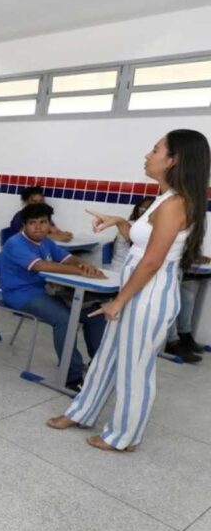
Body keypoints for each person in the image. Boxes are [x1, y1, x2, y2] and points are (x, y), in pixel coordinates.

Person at [48, 129, 210, 451]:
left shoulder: (175, 204)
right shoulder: (163, 199)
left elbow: (151, 262)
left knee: (135, 368)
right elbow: (142, 242)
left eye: (155, 150)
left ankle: (125, 437)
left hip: (148, 295)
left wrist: (117, 302)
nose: (147, 155)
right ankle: (82, 412)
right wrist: (119, 222)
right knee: (107, 357)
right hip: (137, 290)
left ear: (174, 160)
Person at [1, 203, 106, 391]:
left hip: (47, 290)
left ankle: (97, 365)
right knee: (64, 319)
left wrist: (84, 265)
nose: (39, 227)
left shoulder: (47, 242)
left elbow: (66, 258)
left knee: (94, 312)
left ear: (50, 224)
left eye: (43, 222)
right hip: (20, 293)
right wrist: (78, 271)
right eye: (33, 223)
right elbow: (40, 265)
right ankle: (71, 377)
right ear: (23, 225)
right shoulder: (15, 243)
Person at [164, 252, 211, 363]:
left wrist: (192, 258)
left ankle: (184, 334)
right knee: (171, 300)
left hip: (173, 271)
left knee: (187, 297)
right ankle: (172, 342)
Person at [6, 186, 73, 242]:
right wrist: (54, 236)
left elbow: (52, 229)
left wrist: (62, 233)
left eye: (41, 201)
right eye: (34, 201)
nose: (38, 204)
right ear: (26, 202)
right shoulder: (20, 216)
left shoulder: (44, 216)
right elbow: (25, 236)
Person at [110, 198, 154, 270]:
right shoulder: (133, 226)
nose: (145, 211)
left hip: (127, 268)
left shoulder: (141, 226)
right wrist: (119, 220)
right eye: (143, 208)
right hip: (122, 269)